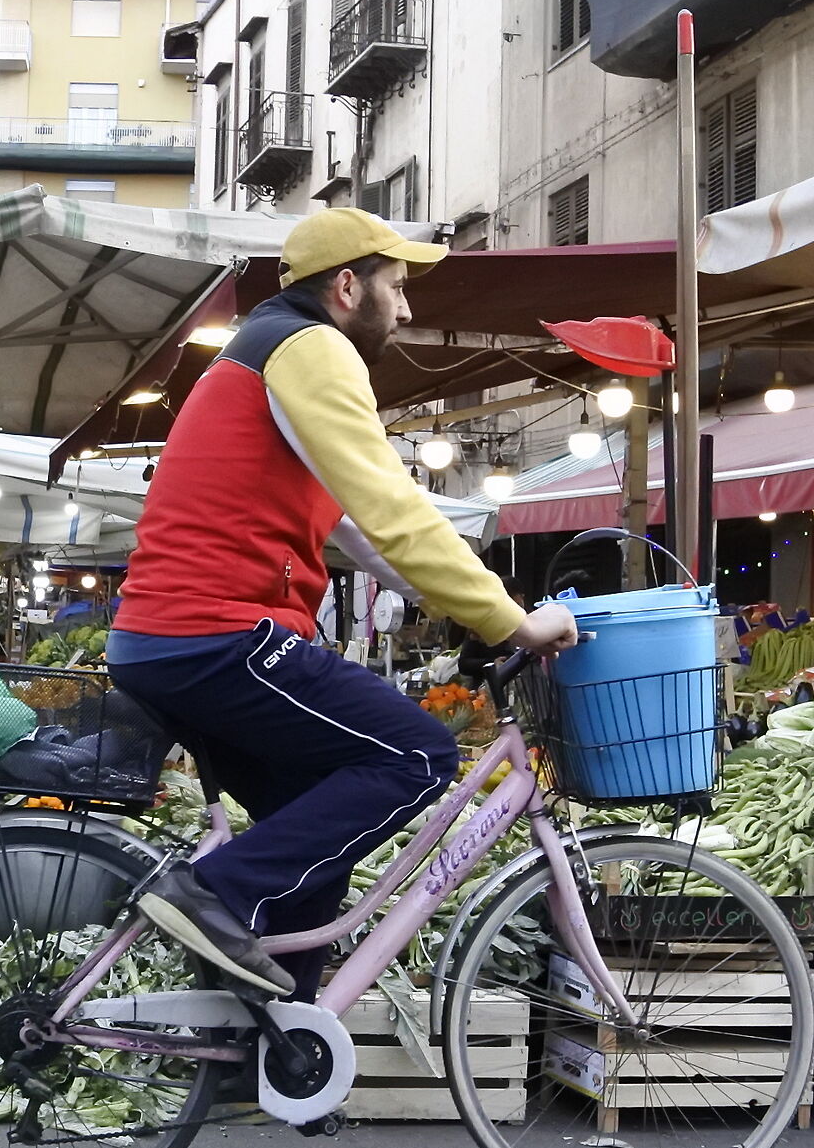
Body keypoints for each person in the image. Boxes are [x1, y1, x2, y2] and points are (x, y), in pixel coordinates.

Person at [109, 208, 578, 998]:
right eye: (396, 288)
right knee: (417, 754)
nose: (407, 308)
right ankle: (212, 894)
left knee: (319, 829)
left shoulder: (267, 349)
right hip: (215, 635)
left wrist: (480, 610)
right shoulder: (313, 348)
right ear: (347, 285)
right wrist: (513, 621)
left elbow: (362, 531)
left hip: (173, 638)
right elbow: (392, 505)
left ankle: (271, 1046)